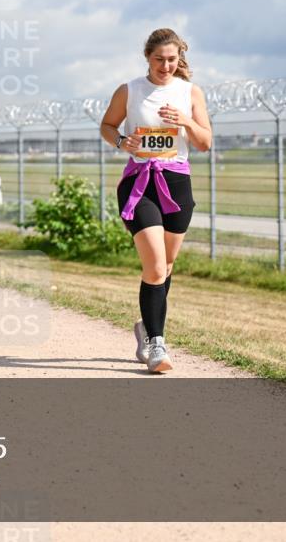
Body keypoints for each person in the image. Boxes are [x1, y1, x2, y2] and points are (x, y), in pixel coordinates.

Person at [100, 28, 212, 373]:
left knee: (167, 266)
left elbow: (205, 142)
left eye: (172, 59)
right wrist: (122, 143)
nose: (165, 66)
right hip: (140, 184)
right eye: (159, 59)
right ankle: (157, 346)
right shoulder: (129, 90)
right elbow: (107, 125)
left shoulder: (190, 92)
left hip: (177, 185)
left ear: (180, 59)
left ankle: (146, 326)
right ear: (147, 57)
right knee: (155, 267)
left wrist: (187, 121)